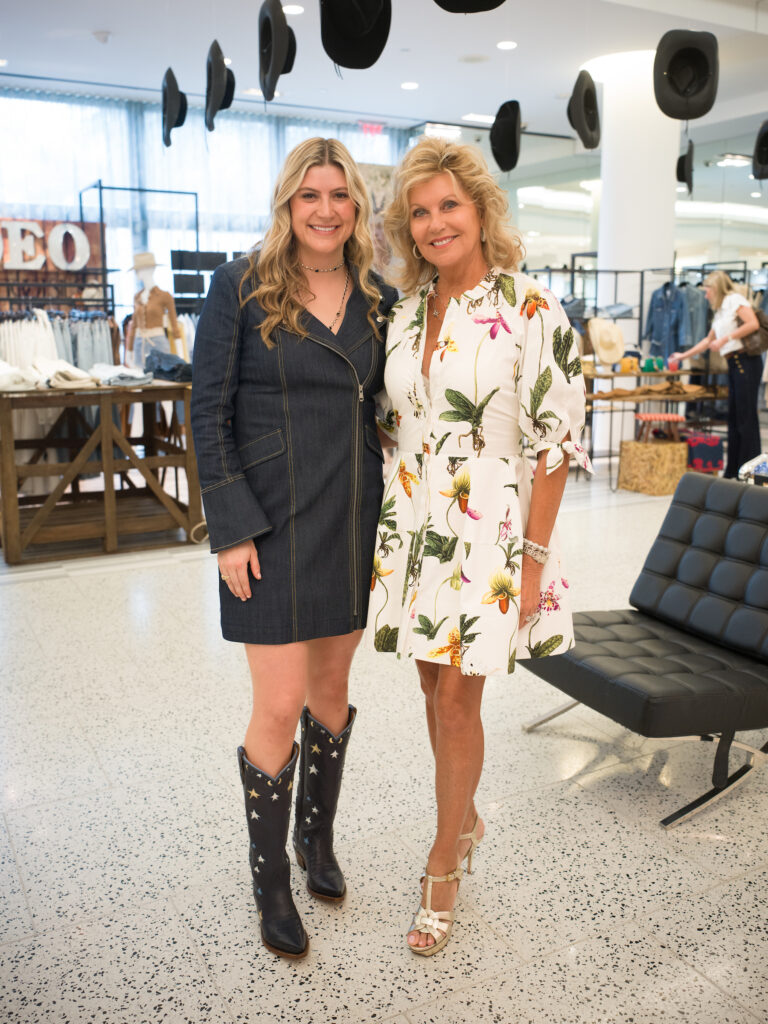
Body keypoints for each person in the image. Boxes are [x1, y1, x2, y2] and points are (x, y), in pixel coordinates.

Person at [368, 137, 592, 956]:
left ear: (481, 210)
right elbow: (393, 423)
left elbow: (556, 444)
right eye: (419, 213)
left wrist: (531, 560)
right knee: (433, 689)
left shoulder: (530, 306)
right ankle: (464, 817)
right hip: (415, 519)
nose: (435, 224)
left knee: (461, 700)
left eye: (448, 206)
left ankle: (444, 862)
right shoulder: (402, 312)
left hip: (488, 525)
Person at [190, 137, 398, 961]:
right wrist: (230, 527)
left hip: (350, 516)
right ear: (287, 203)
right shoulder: (240, 286)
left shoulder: (380, 298)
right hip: (269, 525)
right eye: (310, 194)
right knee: (278, 704)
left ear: (357, 207)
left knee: (332, 694)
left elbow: (389, 407)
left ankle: (317, 838)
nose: (325, 209)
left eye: (340, 195)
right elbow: (207, 412)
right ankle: (269, 877)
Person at [670, 271, 762, 478]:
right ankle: (734, 470)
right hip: (733, 363)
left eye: (707, 291)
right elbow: (707, 340)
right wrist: (682, 356)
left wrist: (725, 339)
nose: (705, 295)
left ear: (717, 288)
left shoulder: (734, 300)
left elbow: (753, 324)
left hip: (746, 363)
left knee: (746, 418)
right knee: (734, 418)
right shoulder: (721, 310)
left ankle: (749, 470)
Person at [126, 252, 181, 368]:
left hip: (158, 343)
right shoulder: (137, 297)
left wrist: (181, 354)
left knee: (162, 375)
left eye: (138, 270)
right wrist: (128, 352)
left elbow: (174, 326)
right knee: (140, 376)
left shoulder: (164, 296)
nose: (136, 274)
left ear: (149, 270)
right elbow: (134, 326)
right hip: (139, 344)